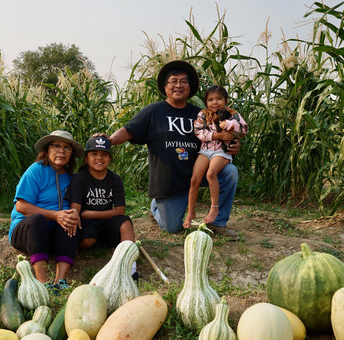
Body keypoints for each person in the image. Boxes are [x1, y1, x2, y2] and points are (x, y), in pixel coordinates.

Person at [98, 60, 241, 236]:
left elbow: (224, 133)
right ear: (165, 87)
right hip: (169, 181)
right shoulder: (153, 111)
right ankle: (156, 207)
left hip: (199, 172)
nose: (178, 85)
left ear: (190, 88)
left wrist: (233, 144)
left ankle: (218, 223)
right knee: (172, 228)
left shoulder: (202, 114)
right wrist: (110, 139)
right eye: (173, 81)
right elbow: (128, 130)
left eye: (183, 81)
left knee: (230, 172)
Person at [8, 130, 84, 291]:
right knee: (38, 220)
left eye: (67, 147)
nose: (61, 151)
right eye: (56, 146)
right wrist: (55, 215)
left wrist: (69, 215)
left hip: (54, 234)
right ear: (47, 150)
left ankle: (60, 281)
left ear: (71, 153)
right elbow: (21, 206)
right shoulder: (36, 170)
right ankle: (42, 283)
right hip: (28, 231)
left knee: (71, 219)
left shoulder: (72, 177)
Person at [64, 136, 139, 278]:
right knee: (88, 242)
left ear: (109, 158)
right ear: (86, 158)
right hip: (87, 223)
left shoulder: (115, 179)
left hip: (105, 220)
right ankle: (90, 245)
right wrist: (81, 216)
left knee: (125, 223)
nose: (99, 158)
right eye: (94, 154)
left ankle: (132, 270)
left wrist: (90, 214)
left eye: (104, 154)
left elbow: (120, 211)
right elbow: (76, 209)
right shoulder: (80, 178)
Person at [183, 85, 248, 229]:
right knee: (194, 179)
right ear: (206, 102)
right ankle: (190, 213)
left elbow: (243, 128)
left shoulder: (232, 114)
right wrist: (216, 135)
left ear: (226, 100)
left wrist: (228, 124)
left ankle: (214, 207)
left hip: (221, 152)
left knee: (211, 173)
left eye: (219, 99)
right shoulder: (203, 114)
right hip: (205, 150)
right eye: (211, 99)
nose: (215, 102)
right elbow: (198, 132)